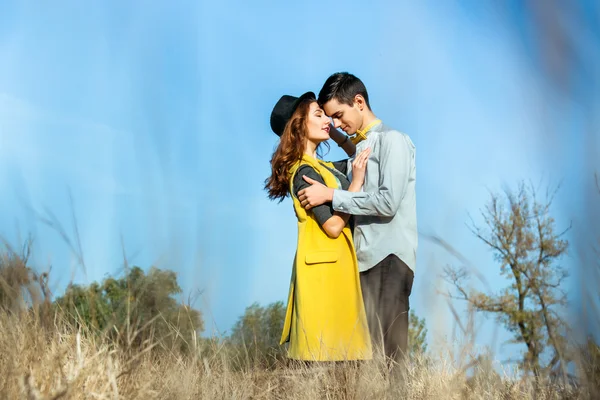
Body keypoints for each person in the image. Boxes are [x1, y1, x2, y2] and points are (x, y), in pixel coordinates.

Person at [297, 72, 417, 366]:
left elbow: (387, 203)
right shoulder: (360, 149)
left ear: (359, 102)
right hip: (361, 264)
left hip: (389, 259)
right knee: (370, 362)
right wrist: (335, 134)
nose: (336, 123)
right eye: (330, 118)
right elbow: (355, 155)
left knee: (393, 359)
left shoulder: (395, 141)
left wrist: (331, 196)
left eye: (338, 115)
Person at [264, 91, 372, 362]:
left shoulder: (322, 166)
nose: (328, 119)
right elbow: (334, 226)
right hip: (323, 275)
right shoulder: (304, 173)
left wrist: (336, 135)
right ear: (300, 126)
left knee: (343, 359)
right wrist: (355, 185)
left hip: (338, 270)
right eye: (319, 114)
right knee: (327, 359)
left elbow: (358, 156)